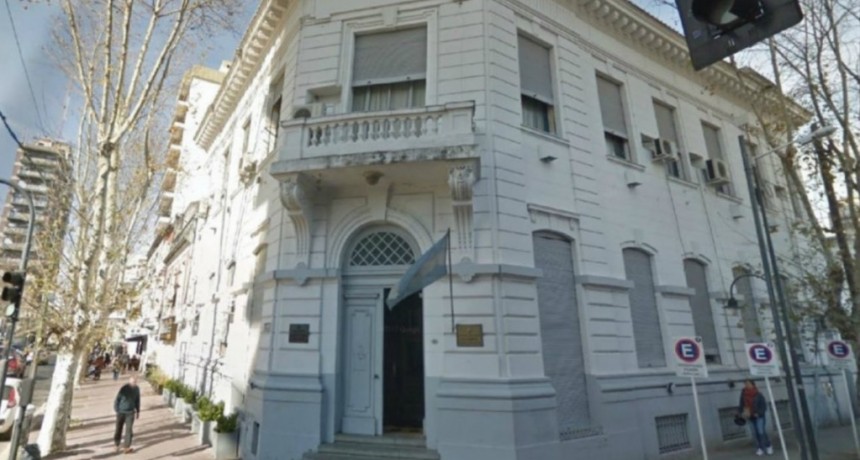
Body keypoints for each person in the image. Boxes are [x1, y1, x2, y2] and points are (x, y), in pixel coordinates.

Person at [738, 379, 773, 456]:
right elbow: (741, 404)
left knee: (761, 432)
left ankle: (768, 445)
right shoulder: (743, 394)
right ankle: (760, 448)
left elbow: (763, 406)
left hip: (759, 416)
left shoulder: (758, 394)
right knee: (755, 433)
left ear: (752, 385)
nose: (746, 385)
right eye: (745, 384)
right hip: (750, 416)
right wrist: (740, 413)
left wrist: (759, 413)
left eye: (748, 384)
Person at [113, 376, 141, 454]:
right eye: (132, 382)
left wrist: (138, 411)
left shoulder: (137, 389)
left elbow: (137, 400)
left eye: (134, 382)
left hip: (130, 413)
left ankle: (127, 447)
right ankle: (116, 444)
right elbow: (117, 399)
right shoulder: (124, 388)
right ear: (129, 382)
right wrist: (117, 409)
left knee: (129, 430)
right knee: (118, 428)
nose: (133, 384)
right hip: (121, 412)